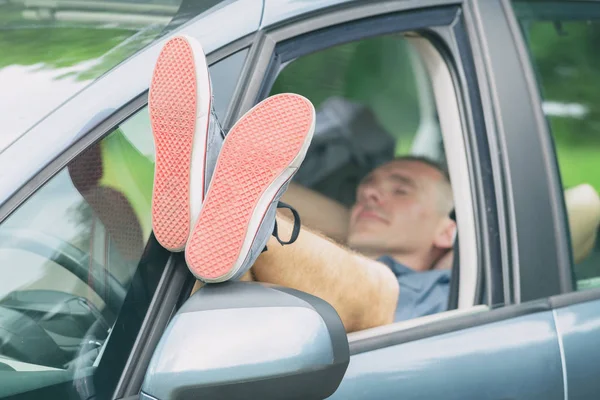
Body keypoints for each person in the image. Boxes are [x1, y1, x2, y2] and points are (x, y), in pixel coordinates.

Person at [149, 35, 456, 333]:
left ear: (447, 231)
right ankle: (223, 199)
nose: (370, 192)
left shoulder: (439, 289)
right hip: (232, 345)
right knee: (226, 278)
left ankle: (227, 204)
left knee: (379, 289)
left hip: (383, 327)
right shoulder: (327, 246)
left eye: (402, 189)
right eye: (367, 185)